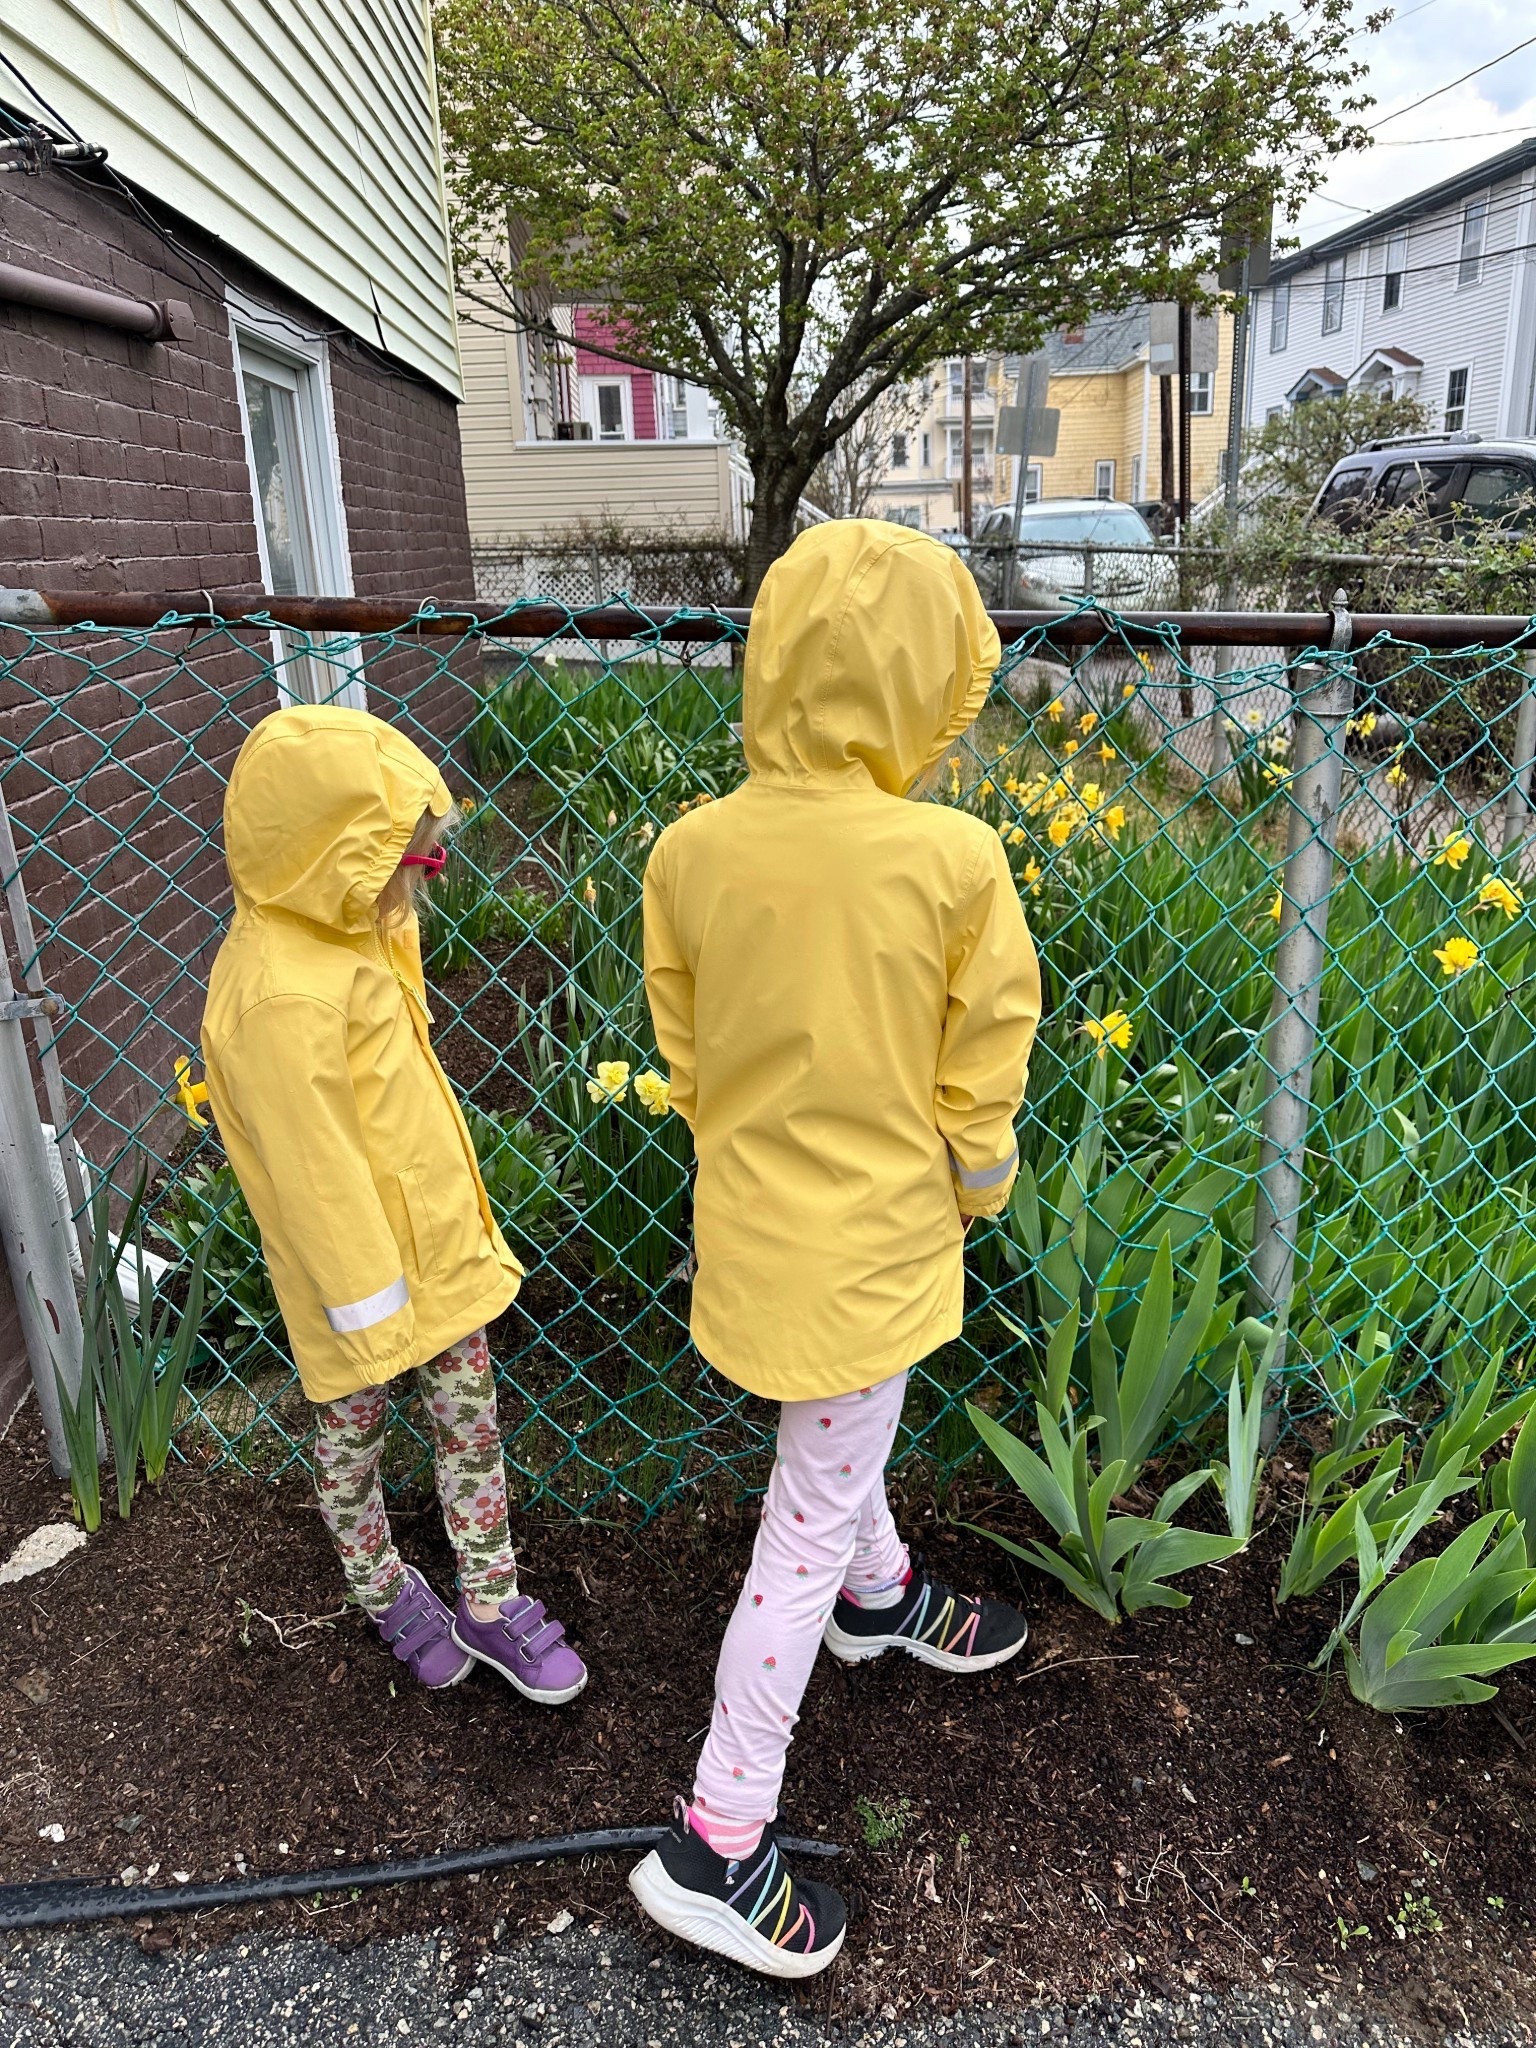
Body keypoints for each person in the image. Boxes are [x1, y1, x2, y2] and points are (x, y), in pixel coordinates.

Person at [630, 521, 1041, 1977]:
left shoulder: (691, 850)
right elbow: (981, 1068)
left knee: (833, 1453)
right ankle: (719, 1837)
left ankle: (883, 1596)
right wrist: (977, 1184)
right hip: (877, 1249)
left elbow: (684, 1050)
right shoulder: (952, 860)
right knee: (797, 1530)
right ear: (927, 682)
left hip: (750, 1237)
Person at [200, 706, 584, 1704]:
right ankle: (378, 1581)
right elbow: (316, 1177)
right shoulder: (278, 995)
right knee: (354, 1430)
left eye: (421, 863)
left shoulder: (357, 928)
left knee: (472, 1422)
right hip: (359, 1285)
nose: (417, 884)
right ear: (328, 857)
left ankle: (490, 1599)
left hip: (437, 1251)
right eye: (403, 864)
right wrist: (373, 1313)